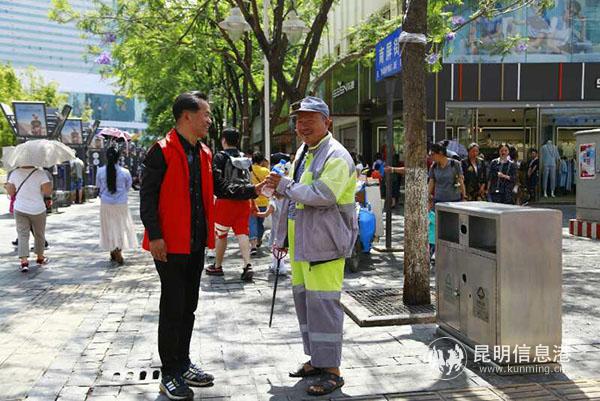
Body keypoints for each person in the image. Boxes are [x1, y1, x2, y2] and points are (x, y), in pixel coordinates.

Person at [266, 96, 357, 396]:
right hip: (302, 244)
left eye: (309, 119)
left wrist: (283, 185)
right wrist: (281, 238)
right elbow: (293, 201)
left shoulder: (336, 155)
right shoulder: (303, 152)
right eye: (298, 121)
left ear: (327, 122)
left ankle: (332, 370)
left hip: (325, 244)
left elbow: (323, 194)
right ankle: (317, 360)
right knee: (306, 304)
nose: (302, 126)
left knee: (324, 305)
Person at [140, 91, 216, 400]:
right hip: (169, 245)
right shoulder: (160, 151)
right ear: (187, 116)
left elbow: (219, 186)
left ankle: (183, 364)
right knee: (173, 307)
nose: (209, 120)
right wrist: (155, 236)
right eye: (205, 114)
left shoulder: (204, 152)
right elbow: (147, 198)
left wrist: (253, 189)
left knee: (188, 307)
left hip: (195, 244)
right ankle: (169, 373)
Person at [205, 128, 265, 282]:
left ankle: (217, 266)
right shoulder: (244, 158)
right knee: (242, 233)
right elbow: (249, 181)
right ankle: (247, 265)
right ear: (237, 141)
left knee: (221, 234)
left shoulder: (219, 157)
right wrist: (252, 202)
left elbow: (216, 181)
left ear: (224, 140)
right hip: (244, 201)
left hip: (225, 202)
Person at [4, 165, 52, 272]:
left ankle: (24, 262)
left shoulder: (15, 173)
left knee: (22, 235)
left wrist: (8, 186)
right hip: (38, 209)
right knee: (39, 234)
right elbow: (47, 191)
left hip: (20, 208)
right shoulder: (41, 173)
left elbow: (11, 192)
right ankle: (40, 258)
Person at [96, 147, 138, 265]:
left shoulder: (100, 171)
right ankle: (118, 249)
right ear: (118, 158)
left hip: (106, 203)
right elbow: (128, 187)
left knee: (108, 227)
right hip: (121, 203)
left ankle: (112, 249)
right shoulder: (125, 172)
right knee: (120, 226)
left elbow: (98, 186)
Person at [428, 142, 465, 209]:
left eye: (433, 154)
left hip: (454, 200)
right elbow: (431, 182)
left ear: (441, 153)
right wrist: (427, 196)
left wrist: (464, 196)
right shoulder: (434, 166)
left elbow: (461, 180)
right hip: (439, 200)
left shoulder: (455, 164)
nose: (431, 157)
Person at [249, 151, 270, 255]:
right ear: (261, 161)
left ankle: (253, 245)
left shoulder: (248, 170)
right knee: (260, 223)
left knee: (252, 222)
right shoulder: (266, 171)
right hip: (263, 201)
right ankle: (259, 241)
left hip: (251, 200)